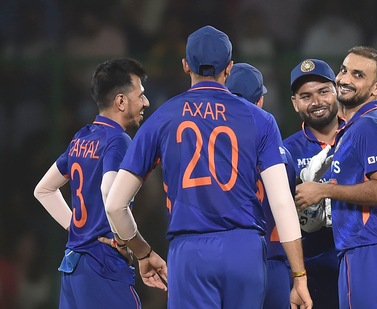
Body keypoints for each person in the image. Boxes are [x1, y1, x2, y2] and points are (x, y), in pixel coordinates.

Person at [104, 25, 312, 309]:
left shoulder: (162, 117)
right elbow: (282, 203)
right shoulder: (260, 119)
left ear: (185, 65)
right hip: (245, 249)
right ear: (229, 68)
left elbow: (115, 205)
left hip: (190, 253)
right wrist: (299, 277)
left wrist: (143, 253)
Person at [294, 47, 377, 308]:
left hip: (368, 249)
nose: (345, 79)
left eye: (358, 75)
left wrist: (324, 191)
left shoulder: (368, 126)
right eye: (344, 70)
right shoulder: (359, 127)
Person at [34, 58, 150, 308]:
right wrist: (125, 241)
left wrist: (77, 229)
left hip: (73, 266)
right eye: (140, 95)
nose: (145, 102)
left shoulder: (81, 138)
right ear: (121, 101)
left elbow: (43, 190)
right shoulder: (118, 140)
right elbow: (110, 195)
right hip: (103, 266)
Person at [226, 62, 296, 309]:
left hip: (230, 257)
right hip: (274, 261)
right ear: (260, 101)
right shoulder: (283, 155)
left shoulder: (212, 152)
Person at [283, 58, 342, 309]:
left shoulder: (361, 135)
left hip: (360, 260)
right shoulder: (286, 150)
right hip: (312, 268)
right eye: (305, 96)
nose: (317, 102)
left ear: (337, 90)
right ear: (295, 103)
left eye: (323, 91)